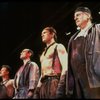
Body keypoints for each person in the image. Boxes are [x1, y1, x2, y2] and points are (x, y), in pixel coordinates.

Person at [67, 7, 100, 99]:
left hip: (94, 78)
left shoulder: (98, 29)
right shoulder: (73, 38)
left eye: (78, 15)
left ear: (88, 16)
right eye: (74, 16)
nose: (75, 18)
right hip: (77, 80)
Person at [34, 26, 68, 99]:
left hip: (54, 81)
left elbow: (66, 66)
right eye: (41, 34)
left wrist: (62, 83)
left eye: (44, 33)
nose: (42, 35)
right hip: (43, 84)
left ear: (52, 34)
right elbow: (42, 72)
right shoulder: (43, 54)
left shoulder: (58, 46)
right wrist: (37, 88)